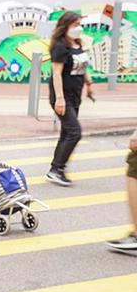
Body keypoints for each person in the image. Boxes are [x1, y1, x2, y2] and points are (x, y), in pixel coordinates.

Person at [47, 11, 94, 187]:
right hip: (63, 96)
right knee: (75, 132)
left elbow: (82, 66)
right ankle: (57, 169)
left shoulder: (77, 43)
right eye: (75, 25)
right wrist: (59, 99)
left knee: (67, 132)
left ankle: (56, 168)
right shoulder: (59, 47)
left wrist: (89, 83)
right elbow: (56, 74)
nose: (78, 28)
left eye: (80, 24)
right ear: (65, 27)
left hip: (75, 95)